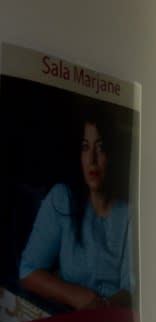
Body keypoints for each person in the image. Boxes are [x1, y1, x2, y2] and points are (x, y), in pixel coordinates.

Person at [19, 107, 132, 310]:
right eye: (85, 147)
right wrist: (77, 296)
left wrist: (102, 308)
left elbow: (130, 290)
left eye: (101, 148)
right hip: (64, 315)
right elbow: (28, 271)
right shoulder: (62, 198)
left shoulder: (129, 214)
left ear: (113, 154)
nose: (92, 161)